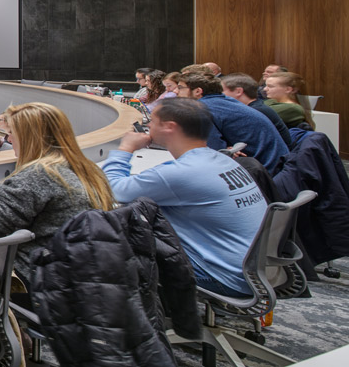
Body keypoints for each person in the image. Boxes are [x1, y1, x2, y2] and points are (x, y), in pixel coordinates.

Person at [104, 98, 264, 297]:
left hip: (223, 277)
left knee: (109, 243)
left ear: (169, 127)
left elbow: (112, 188)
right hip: (253, 270)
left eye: (152, 122)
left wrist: (125, 149)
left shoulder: (183, 173)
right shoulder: (222, 159)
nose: (147, 126)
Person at [0, 103, 115, 285]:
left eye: (12, 133)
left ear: (29, 138)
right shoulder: (87, 169)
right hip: (78, 273)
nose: (9, 139)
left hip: (40, 280)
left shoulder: (37, 175)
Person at [175, 66, 287, 173]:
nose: (176, 91)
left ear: (198, 91)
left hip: (263, 173)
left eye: (180, 88)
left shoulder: (202, 108)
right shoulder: (224, 101)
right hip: (275, 166)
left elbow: (212, 153)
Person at [222, 74, 293, 149]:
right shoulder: (254, 107)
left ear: (238, 91)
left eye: (222, 90)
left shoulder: (256, 111)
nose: (219, 94)